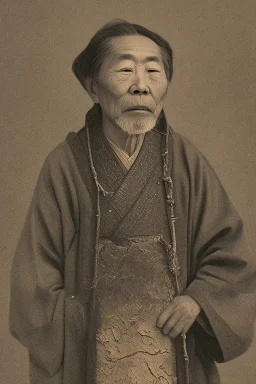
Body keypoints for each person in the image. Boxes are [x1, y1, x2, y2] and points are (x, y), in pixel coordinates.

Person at [9, 19, 256, 384]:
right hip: (90, 361)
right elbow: (34, 283)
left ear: (165, 86)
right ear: (94, 87)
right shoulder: (65, 166)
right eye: (125, 70)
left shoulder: (186, 163)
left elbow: (230, 257)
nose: (141, 86)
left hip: (174, 359)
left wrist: (197, 301)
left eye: (153, 71)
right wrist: (92, 321)